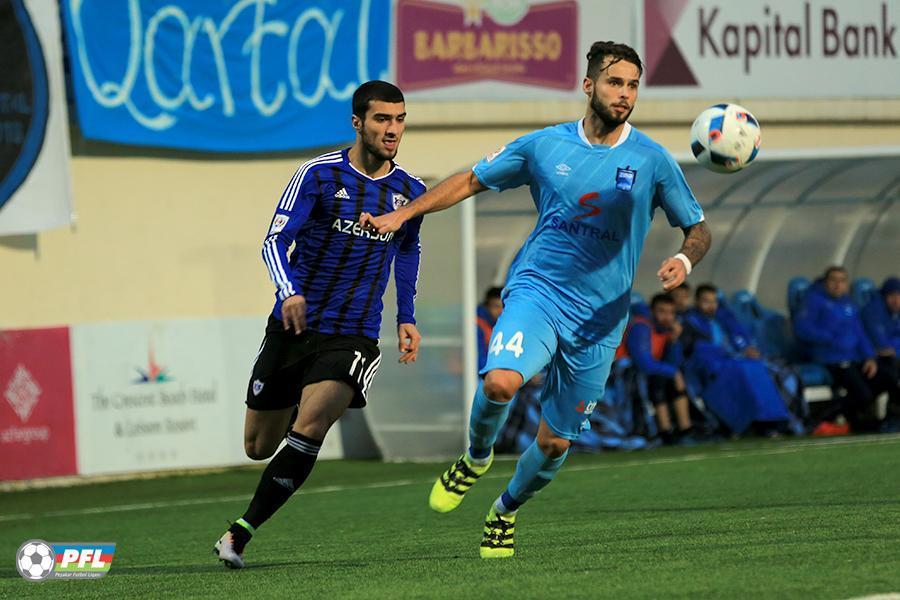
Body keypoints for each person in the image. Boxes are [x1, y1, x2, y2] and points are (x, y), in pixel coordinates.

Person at [360, 41, 710, 558]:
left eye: (633, 85)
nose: (625, 94)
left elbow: (697, 229)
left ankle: (503, 511)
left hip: (600, 320)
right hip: (538, 292)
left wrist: (684, 259)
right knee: (501, 381)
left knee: (554, 443)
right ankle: (476, 457)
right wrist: (404, 213)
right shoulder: (545, 146)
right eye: (615, 82)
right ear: (588, 85)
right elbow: (470, 180)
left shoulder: (652, 160)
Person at [213, 81, 426, 569]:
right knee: (258, 446)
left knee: (311, 426)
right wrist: (288, 291)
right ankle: (298, 403)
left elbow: (408, 251)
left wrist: (406, 316)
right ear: (358, 123)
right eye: (382, 119)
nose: (392, 130)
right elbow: (274, 240)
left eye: (399, 120)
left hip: (354, 332)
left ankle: (239, 534)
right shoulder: (318, 175)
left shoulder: (410, 192)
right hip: (294, 326)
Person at [794, 267, 899, 432]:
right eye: (833, 280)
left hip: (854, 358)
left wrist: (870, 357)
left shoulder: (849, 304)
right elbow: (802, 328)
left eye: (842, 281)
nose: (838, 285)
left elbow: (860, 333)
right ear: (825, 283)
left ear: (847, 284)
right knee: (862, 394)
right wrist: (830, 337)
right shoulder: (813, 300)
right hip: (831, 358)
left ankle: (887, 421)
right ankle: (818, 420)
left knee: (889, 379)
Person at [621, 294, 694, 444]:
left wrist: (674, 341)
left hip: (647, 374)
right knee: (661, 379)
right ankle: (664, 431)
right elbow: (644, 364)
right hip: (624, 375)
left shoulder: (665, 331)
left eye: (671, 313)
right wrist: (674, 373)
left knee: (671, 379)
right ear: (652, 312)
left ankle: (685, 429)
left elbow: (673, 363)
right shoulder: (641, 327)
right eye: (662, 311)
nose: (667, 317)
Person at [861, 276, 900, 385]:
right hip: (873, 357)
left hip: (891, 355)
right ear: (884, 296)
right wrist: (894, 348)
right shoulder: (872, 311)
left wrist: (895, 349)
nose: (896, 300)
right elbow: (881, 344)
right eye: (892, 296)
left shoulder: (895, 312)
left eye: (899, 296)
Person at [477, 287, 504, 370]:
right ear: (486, 306)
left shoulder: (502, 324)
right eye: (496, 306)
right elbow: (478, 360)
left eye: (503, 306)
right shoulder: (476, 326)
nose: (500, 311)